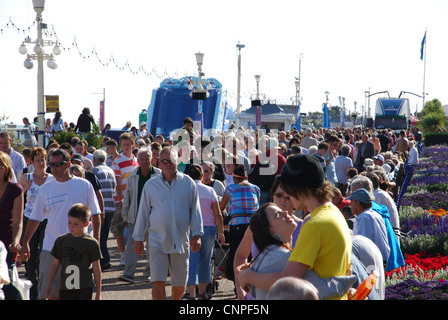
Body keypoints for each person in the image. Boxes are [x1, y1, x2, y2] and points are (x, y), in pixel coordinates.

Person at [237, 154, 352, 300]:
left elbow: (287, 282)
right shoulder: (334, 213)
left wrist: (248, 276)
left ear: (298, 188)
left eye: (288, 190)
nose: (287, 196)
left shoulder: (314, 225)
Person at [20, 149, 101, 300]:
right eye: (52, 164)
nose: (54, 168)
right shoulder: (45, 189)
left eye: (58, 164)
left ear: (68, 164)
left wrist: (96, 239)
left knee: (73, 292)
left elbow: (96, 214)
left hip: (78, 251)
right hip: (51, 249)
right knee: (50, 294)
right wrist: (25, 243)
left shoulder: (84, 185)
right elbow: (35, 218)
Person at [133, 146, 203, 300]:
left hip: (181, 240)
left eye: (171, 161)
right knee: (158, 281)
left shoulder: (188, 183)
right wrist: (138, 238)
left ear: (177, 162)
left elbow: (195, 211)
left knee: (180, 283)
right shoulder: (151, 185)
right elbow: (143, 213)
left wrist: (197, 234)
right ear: (159, 163)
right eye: (164, 161)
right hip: (157, 240)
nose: (168, 164)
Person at [118, 147, 161, 283]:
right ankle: (129, 273)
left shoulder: (158, 175)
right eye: (141, 159)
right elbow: (128, 197)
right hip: (135, 216)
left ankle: (149, 272)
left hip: (154, 217)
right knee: (131, 245)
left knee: (152, 246)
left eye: (147, 159)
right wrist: (125, 216)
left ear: (152, 159)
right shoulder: (133, 175)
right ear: (138, 160)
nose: (144, 162)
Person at [18, 147, 54, 300]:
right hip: (29, 218)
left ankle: (44, 289)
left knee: (43, 255)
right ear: (32, 162)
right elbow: (18, 201)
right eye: (38, 160)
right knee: (30, 256)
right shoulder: (27, 178)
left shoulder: (52, 179)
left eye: (43, 159)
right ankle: (33, 292)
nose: (41, 163)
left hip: (46, 220)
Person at [46, 204, 102, 300]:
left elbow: (96, 267)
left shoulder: (91, 243)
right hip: (66, 287)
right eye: (69, 222)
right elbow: (55, 264)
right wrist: (49, 285)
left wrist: (98, 293)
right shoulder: (61, 240)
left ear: (85, 224)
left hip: (84, 287)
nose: (71, 226)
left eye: (76, 224)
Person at [185, 164, 225, 300]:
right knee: (206, 261)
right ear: (202, 175)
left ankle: (191, 293)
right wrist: (221, 232)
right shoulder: (209, 190)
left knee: (191, 261)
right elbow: (218, 213)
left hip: (191, 229)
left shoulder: (185, 190)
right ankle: (202, 292)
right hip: (208, 228)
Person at [220, 164, 260, 283]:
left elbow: (221, 207)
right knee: (250, 255)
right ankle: (250, 282)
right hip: (253, 225)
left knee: (236, 255)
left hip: (237, 224)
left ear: (234, 178)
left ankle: (237, 283)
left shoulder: (231, 188)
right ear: (246, 177)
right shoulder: (255, 188)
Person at [111, 132, 139, 266]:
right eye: (123, 144)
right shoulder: (117, 161)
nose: (126, 147)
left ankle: (133, 251)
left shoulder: (137, 161)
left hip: (135, 199)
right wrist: (121, 198)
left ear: (133, 144)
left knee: (136, 226)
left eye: (128, 144)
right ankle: (123, 254)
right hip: (121, 200)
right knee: (118, 228)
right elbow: (117, 182)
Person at [0, 151, 24, 300]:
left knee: (7, 279)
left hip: (7, 239)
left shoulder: (15, 189)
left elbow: (18, 221)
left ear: (6, 168)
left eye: (0, 165)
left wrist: (16, 241)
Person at [346, 188, 390, 263]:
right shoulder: (372, 214)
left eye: (351, 201)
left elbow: (364, 246)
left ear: (357, 203)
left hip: (372, 263)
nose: (350, 204)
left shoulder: (364, 218)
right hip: (378, 260)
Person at [91, 149, 117, 271]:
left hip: (101, 208)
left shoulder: (95, 171)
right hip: (111, 206)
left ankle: (104, 260)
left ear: (94, 159)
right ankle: (105, 260)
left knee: (99, 236)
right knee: (104, 235)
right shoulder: (111, 170)